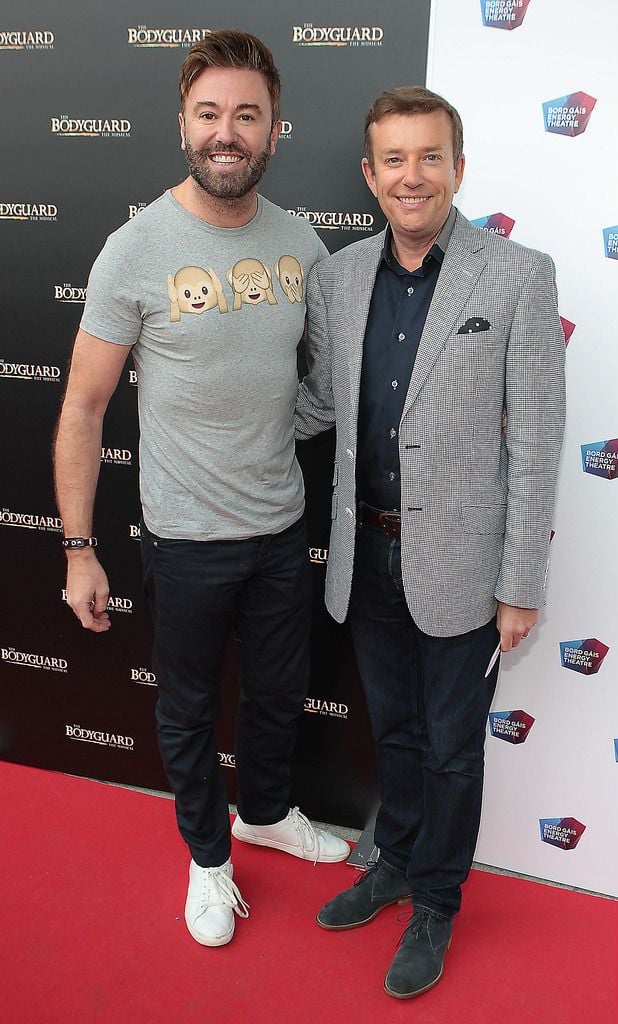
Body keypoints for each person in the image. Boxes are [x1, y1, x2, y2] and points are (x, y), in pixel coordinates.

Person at [53, 29, 349, 950]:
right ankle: (208, 860)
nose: (229, 132)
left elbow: (319, 384)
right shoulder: (134, 250)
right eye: (211, 114)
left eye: (246, 116)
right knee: (185, 709)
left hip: (278, 530)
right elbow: (84, 408)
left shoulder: (300, 241)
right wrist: (77, 547)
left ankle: (263, 812)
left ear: (274, 130)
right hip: (181, 539)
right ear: (184, 124)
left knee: (275, 694)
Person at [295, 86, 566, 998]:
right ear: (370, 175)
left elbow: (534, 437)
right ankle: (400, 860)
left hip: (463, 561)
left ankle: (439, 902)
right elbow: (325, 406)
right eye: (395, 161)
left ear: (458, 165)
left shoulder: (519, 274)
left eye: (430, 158)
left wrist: (520, 580)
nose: (413, 177)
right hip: (366, 555)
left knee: (453, 747)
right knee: (399, 734)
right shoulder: (336, 278)